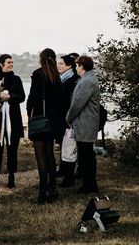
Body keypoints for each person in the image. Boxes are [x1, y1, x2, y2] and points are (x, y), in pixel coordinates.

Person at [26, 48, 62, 204]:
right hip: (53, 121)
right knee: (50, 155)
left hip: (40, 119)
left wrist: (29, 114)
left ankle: (42, 193)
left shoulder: (38, 75)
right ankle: (52, 189)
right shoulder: (57, 76)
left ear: (41, 59)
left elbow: (32, 98)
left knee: (41, 157)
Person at [66, 55, 101, 194]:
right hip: (84, 122)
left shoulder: (88, 81)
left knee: (86, 155)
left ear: (82, 66)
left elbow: (77, 104)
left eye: (77, 65)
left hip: (86, 123)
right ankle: (88, 183)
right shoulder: (87, 79)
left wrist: (68, 117)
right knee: (85, 154)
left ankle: (90, 184)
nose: (75, 68)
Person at [0, 54, 26, 188]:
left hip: (14, 120)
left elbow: (22, 97)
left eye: (12, 62)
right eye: (8, 62)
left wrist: (10, 96)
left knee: (13, 149)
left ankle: (11, 176)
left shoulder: (17, 79)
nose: (11, 64)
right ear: (1, 64)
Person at [56, 54, 79, 186]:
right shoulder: (61, 78)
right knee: (63, 145)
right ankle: (63, 169)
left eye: (61, 64)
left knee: (70, 147)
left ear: (69, 66)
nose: (58, 66)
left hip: (69, 118)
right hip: (61, 117)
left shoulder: (73, 79)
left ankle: (69, 177)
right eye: (58, 63)